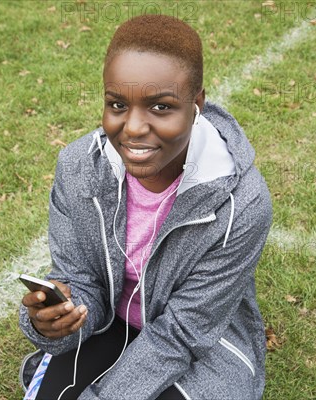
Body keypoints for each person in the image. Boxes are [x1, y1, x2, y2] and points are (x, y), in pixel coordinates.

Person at [19, 14, 272, 400]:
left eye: (160, 107)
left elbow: (183, 333)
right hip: (113, 323)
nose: (133, 128)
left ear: (196, 104)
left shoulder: (243, 203)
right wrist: (60, 319)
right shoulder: (78, 167)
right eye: (117, 104)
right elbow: (80, 277)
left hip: (201, 342)